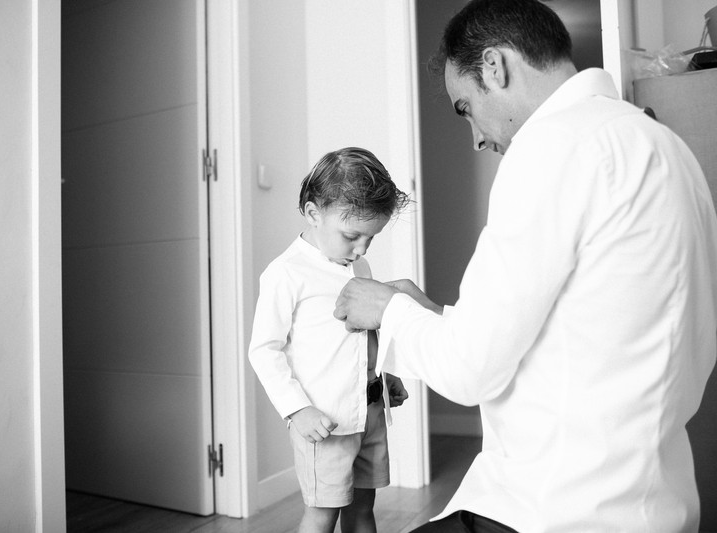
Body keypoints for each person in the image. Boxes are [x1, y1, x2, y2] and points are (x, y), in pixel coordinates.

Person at [333, 1, 717, 532]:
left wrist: (389, 310)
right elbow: (581, 332)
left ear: (495, 66)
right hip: (657, 504)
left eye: (466, 107)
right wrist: (432, 313)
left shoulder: (550, 148)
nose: (475, 137)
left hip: (552, 511)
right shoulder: (667, 147)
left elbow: (470, 370)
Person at [249, 147, 411, 533]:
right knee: (323, 514)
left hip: (369, 413)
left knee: (364, 508)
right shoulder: (287, 273)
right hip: (325, 422)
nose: (362, 249)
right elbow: (264, 350)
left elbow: (366, 330)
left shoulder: (359, 265)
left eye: (371, 238)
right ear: (313, 213)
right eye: (352, 236)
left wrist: (385, 373)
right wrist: (297, 410)